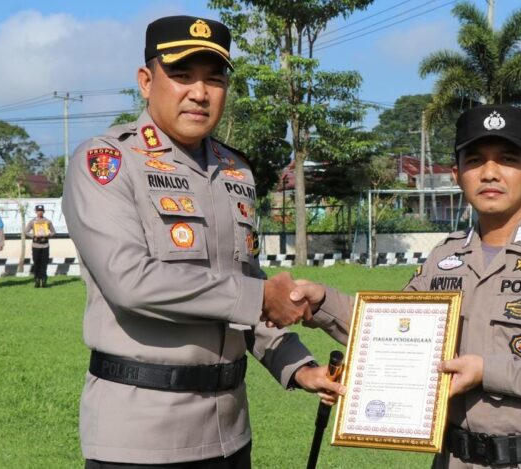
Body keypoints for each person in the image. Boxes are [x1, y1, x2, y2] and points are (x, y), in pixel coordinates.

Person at [62, 16, 340, 468]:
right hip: (141, 437)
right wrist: (259, 297)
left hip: (230, 432)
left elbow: (245, 284)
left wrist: (299, 366)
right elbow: (130, 281)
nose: (200, 92)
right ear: (146, 81)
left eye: (214, 79)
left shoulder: (235, 171)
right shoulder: (108, 161)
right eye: (182, 75)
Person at [293, 105, 521, 468]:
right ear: (457, 173)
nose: (490, 173)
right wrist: (322, 301)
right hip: (454, 460)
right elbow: (387, 332)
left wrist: (488, 371)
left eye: (508, 159)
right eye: (475, 160)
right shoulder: (443, 257)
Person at [24, 204, 56, 288]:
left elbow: (53, 232)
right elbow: (26, 232)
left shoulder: (47, 221)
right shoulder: (32, 222)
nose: (40, 212)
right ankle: (37, 280)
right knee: (36, 263)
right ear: (35, 212)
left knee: (44, 263)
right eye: (38, 211)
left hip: (45, 245)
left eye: (41, 211)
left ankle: (44, 280)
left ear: (44, 211)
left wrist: (48, 235)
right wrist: (33, 236)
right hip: (36, 246)